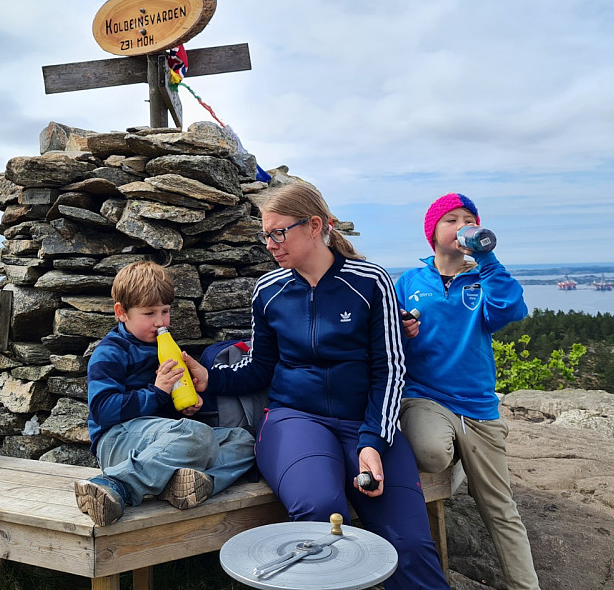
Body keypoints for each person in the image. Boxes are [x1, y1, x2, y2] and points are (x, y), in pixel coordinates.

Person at [183, 182, 450, 590]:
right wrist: (210, 377)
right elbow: (258, 369)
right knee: (320, 513)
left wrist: (373, 442)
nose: (270, 244)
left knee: (409, 543)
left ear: (313, 226)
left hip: (366, 420)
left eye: (277, 233)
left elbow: (390, 369)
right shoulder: (268, 291)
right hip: (295, 420)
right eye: (265, 235)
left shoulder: (370, 282)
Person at [394, 193, 539, 590]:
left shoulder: (482, 279)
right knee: (431, 451)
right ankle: (453, 447)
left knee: (500, 507)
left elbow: (511, 310)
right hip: (425, 396)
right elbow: (387, 344)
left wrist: (488, 259)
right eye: (451, 220)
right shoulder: (408, 282)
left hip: (477, 405)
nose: (461, 226)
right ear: (432, 233)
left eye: (468, 220)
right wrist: (400, 329)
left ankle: (525, 585)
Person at [74, 260, 255, 527]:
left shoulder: (166, 346)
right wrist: (157, 392)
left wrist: (184, 406)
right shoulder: (111, 352)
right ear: (121, 313)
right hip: (118, 439)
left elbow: (166, 411)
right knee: (196, 433)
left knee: (245, 440)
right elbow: (103, 410)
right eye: (149, 314)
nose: (160, 322)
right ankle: (114, 485)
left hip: (162, 440)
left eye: (165, 311)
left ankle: (186, 484)